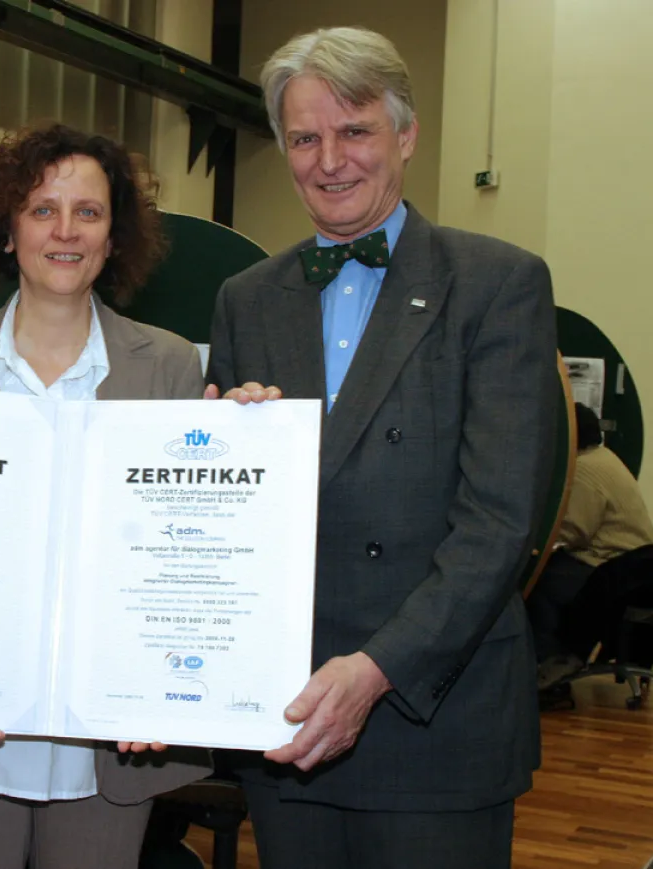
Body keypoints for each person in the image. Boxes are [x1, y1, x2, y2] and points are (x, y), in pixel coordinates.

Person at [205, 26, 559, 869]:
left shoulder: (498, 283)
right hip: (289, 716)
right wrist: (227, 452)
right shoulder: (245, 299)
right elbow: (222, 517)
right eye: (304, 137)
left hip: (434, 712)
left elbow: (500, 522)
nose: (330, 159)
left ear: (406, 135)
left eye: (355, 130)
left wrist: (376, 669)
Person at [0, 123, 212, 869]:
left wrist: (247, 430)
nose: (65, 231)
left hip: (107, 739)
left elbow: (183, 551)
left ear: (114, 234)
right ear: (6, 229)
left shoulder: (171, 367)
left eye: (87, 212)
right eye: (42, 209)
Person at [528, 402, 653, 684]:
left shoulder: (584, 469)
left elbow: (574, 532)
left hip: (613, 570)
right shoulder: (606, 458)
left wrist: (535, 543)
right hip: (635, 567)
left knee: (539, 582)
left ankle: (551, 668)